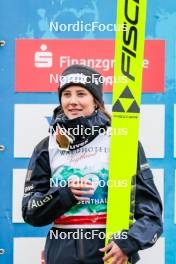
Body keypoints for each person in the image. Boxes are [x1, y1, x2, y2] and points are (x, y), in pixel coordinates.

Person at [22, 64, 163, 264]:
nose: (72, 101)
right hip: (61, 254)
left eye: (81, 94)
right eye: (66, 94)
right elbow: (31, 212)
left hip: (110, 255)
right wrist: (63, 195)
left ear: (95, 100)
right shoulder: (46, 147)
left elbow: (151, 213)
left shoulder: (121, 142)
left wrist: (128, 243)